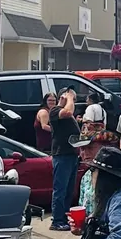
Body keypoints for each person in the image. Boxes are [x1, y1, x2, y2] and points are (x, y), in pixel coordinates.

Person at [47, 88, 82, 231]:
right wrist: (69, 99)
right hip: (62, 154)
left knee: (68, 189)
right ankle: (57, 220)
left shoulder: (66, 111)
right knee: (60, 189)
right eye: (71, 96)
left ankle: (64, 216)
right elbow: (67, 112)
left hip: (71, 154)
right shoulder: (55, 110)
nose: (73, 100)